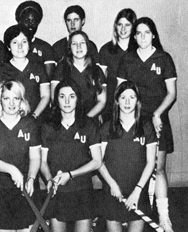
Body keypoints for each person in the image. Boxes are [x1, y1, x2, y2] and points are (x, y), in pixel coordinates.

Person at [117, 17, 177, 232]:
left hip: (158, 120)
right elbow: (120, 93)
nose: (143, 36)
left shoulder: (164, 58)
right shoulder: (127, 59)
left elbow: (172, 93)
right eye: (139, 33)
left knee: (158, 168)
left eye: (147, 32)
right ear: (134, 37)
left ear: (154, 35)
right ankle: (127, 211)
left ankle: (164, 217)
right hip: (133, 121)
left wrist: (158, 114)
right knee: (132, 166)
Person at [40, 78, 102, 232]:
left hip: (82, 190)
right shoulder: (48, 126)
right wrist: (49, 179)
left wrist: (71, 174)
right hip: (57, 191)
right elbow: (42, 161)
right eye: (62, 96)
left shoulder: (88, 124)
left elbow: (97, 161)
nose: (67, 101)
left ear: (78, 99)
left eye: (72, 96)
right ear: (56, 100)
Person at [0, 80, 41, 231]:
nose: (12, 103)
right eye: (7, 98)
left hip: (25, 190)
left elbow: (35, 157)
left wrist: (31, 178)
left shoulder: (30, 123)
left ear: (22, 100)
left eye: (16, 98)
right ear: (0, 100)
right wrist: (12, 169)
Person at [98, 81, 157, 232]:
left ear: (138, 101)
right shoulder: (106, 128)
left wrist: (137, 191)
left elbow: (151, 162)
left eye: (132, 97)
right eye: (123, 97)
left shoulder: (146, 127)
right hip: (113, 193)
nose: (127, 102)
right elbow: (98, 162)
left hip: (137, 193)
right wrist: (112, 184)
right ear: (117, 101)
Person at [0, 24, 50, 120]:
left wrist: (34, 116)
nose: (20, 46)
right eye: (15, 42)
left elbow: (45, 95)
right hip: (10, 120)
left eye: (24, 42)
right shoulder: (1, 70)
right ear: (8, 47)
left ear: (29, 45)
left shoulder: (38, 67)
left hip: (36, 119)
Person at [51, 31, 106, 120]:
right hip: (66, 120)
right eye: (74, 44)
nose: (78, 47)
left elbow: (102, 101)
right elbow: (55, 99)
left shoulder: (96, 70)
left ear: (88, 46)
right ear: (69, 48)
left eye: (82, 43)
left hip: (90, 120)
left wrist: (87, 119)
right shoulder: (61, 68)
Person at [99, 8, 137, 123]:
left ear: (134, 27)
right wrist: (100, 110)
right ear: (115, 26)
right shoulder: (106, 50)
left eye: (127, 25)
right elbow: (100, 82)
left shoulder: (138, 51)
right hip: (110, 106)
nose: (123, 29)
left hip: (133, 105)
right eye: (120, 24)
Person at [15, 0, 56, 79]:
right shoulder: (12, 45)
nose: (30, 24)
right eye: (27, 21)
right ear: (19, 22)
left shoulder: (45, 47)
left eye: (33, 21)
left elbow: (48, 79)